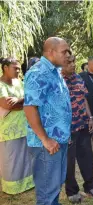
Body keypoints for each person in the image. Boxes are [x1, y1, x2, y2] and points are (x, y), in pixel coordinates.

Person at [23, 37, 72, 205]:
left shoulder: (56, 72)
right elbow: (30, 108)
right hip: (46, 145)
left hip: (58, 141)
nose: (68, 55)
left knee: (54, 186)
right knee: (46, 193)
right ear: (50, 52)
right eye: (64, 51)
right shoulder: (38, 73)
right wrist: (45, 139)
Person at [62, 55, 93, 203]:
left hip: (83, 125)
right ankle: (72, 191)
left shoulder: (79, 79)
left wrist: (90, 117)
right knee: (69, 161)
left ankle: (90, 185)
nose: (73, 64)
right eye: (69, 62)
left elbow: (84, 98)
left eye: (74, 61)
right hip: (68, 129)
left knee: (87, 158)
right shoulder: (57, 82)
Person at [0, 57, 34, 195]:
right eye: (15, 68)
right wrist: (22, 103)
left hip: (24, 126)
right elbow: (6, 105)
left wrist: (18, 100)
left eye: (19, 68)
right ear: (5, 68)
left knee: (25, 157)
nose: (19, 71)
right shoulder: (1, 85)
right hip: (8, 129)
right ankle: (12, 188)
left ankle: (26, 184)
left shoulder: (19, 82)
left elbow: (30, 97)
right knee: (11, 158)